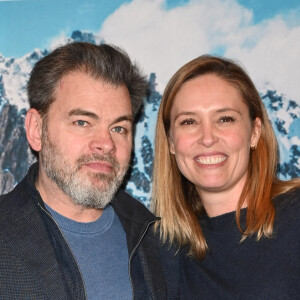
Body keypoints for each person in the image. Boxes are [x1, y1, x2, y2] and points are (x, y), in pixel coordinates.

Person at [0, 42, 172, 300]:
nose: (106, 143)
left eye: (119, 128)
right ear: (36, 130)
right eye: (82, 122)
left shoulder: (157, 241)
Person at [152, 55, 300, 299]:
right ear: (171, 142)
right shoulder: (166, 254)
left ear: (254, 132)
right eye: (189, 121)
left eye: (225, 119)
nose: (207, 138)